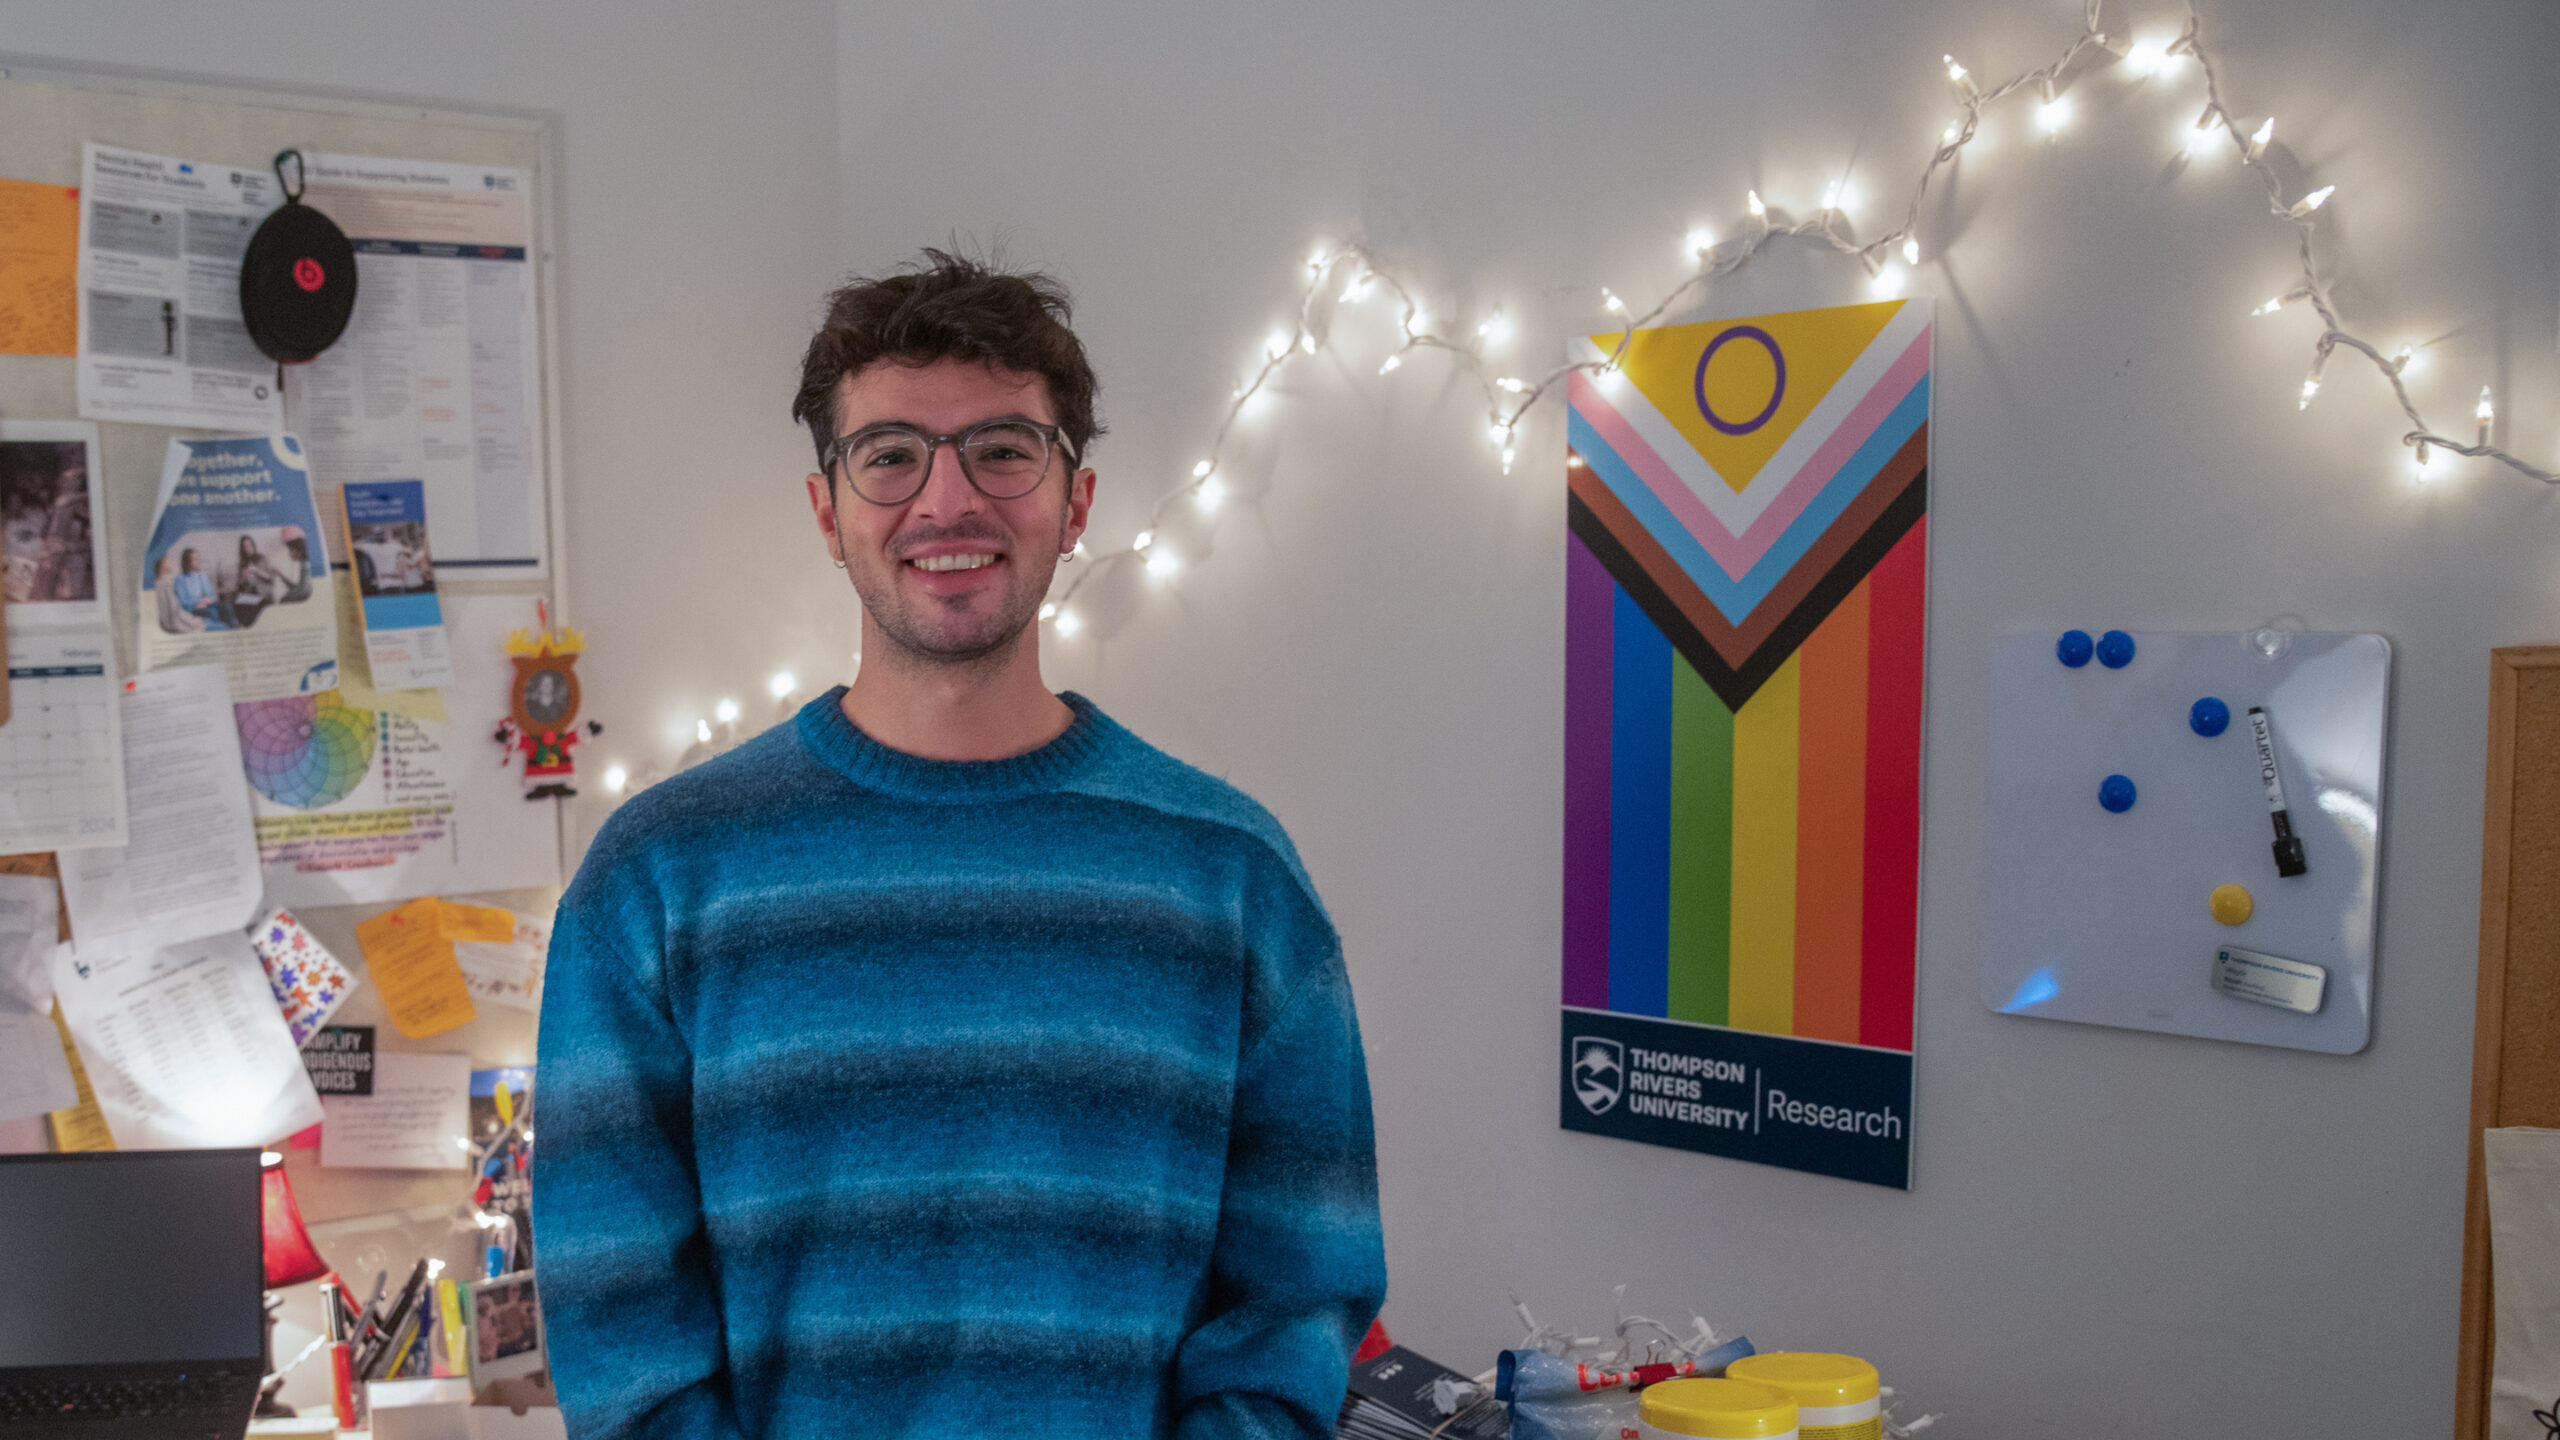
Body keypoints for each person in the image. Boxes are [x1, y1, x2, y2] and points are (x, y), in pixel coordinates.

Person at [537, 251, 1387, 1440]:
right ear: (827, 511)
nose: (947, 502)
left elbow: (1298, 1297)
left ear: (1075, 501)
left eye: (1002, 448)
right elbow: (617, 1327)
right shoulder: (658, 879)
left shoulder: (1229, 876)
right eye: (890, 456)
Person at [230, 534, 282, 627]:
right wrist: (243, 577)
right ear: (242, 549)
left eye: (249, 545)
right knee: (236, 604)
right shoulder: (242, 564)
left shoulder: (262, 558)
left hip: (263, 593)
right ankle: (246, 627)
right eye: (245, 547)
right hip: (250, 594)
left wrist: (257, 570)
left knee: (253, 607)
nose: (248, 548)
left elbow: (270, 577)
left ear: (253, 546)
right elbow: (238, 585)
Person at [168, 547, 225, 630]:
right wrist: (198, 602)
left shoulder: (203, 575)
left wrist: (206, 601)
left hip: (208, 604)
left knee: (226, 607)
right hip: (193, 609)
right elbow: (181, 601)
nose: (198, 562)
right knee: (212, 613)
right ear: (187, 562)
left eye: (198, 559)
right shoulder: (180, 579)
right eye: (195, 559)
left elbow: (212, 595)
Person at [152, 549, 205, 634]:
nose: (170, 560)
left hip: (193, 611)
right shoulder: (168, 583)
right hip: (188, 613)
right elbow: (175, 616)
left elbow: (176, 610)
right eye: (167, 558)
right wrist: (197, 602)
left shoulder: (202, 576)